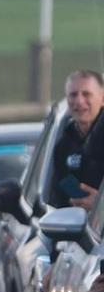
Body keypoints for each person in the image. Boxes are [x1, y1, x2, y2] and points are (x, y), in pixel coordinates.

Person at [46, 69, 103, 209]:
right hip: (74, 227)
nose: (79, 101)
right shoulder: (63, 145)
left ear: (102, 98)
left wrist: (100, 204)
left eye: (86, 94)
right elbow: (56, 198)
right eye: (73, 95)